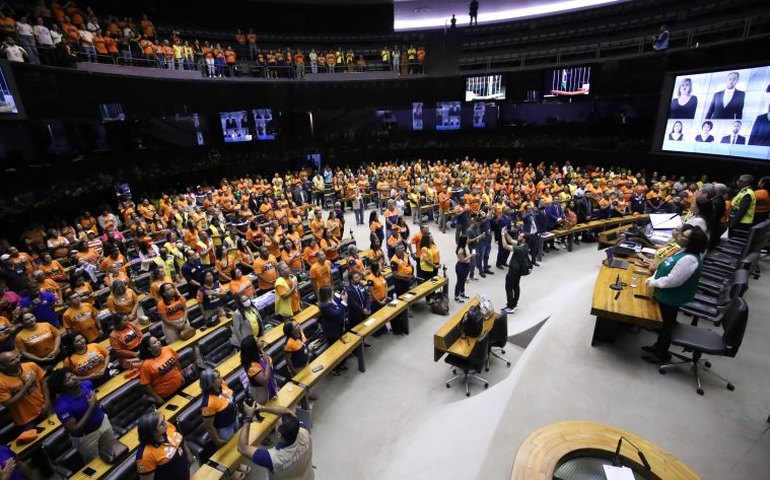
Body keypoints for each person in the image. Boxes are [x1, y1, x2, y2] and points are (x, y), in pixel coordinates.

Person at [642, 226, 708, 364]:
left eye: (684, 236)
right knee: (665, 324)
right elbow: (663, 267)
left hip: (672, 297)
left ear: (692, 242)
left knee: (667, 325)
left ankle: (661, 354)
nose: (679, 236)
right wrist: (654, 278)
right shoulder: (682, 251)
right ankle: (657, 346)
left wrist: (652, 282)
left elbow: (672, 281)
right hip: (664, 294)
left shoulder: (689, 259)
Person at [48, 367, 117, 462]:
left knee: (114, 453)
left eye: (72, 375)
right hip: (87, 438)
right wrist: (91, 406)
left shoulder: (87, 384)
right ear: (62, 387)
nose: (73, 378)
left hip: (103, 424)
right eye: (67, 380)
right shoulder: (62, 406)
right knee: (97, 464)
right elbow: (75, 430)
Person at [236, 401, 314, 479]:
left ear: (279, 435)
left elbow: (242, 448)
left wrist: (248, 418)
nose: (277, 420)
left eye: (278, 423)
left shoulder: (273, 459)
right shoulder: (304, 430)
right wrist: (262, 408)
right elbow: (287, 412)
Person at [0, 349, 49, 430]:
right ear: (2, 366)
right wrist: (27, 385)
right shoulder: (1, 382)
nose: (17, 360)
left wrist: (47, 402)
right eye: (12, 360)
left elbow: (44, 384)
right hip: (25, 420)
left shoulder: (31, 365)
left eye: (16, 357)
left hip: (43, 408)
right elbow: (9, 404)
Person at [135, 411, 193, 480]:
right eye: (161, 423)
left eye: (164, 419)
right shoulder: (145, 455)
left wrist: (189, 456)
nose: (165, 422)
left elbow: (180, 440)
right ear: (152, 432)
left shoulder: (168, 426)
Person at [199, 368, 239, 447]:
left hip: (234, 418)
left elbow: (230, 399)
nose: (221, 378)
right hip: (225, 429)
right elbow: (208, 426)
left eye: (219, 376)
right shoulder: (208, 403)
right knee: (230, 448)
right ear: (210, 383)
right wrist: (217, 440)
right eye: (217, 378)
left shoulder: (222, 384)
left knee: (238, 440)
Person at [138, 336, 184, 405]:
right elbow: (146, 384)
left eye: (157, 340)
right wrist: (157, 398)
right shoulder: (145, 365)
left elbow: (176, 360)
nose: (158, 343)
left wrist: (181, 374)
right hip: (166, 395)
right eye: (154, 343)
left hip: (180, 385)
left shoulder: (167, 349)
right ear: (149, 348)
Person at [240, 336, 277, 404]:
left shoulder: (259, 353)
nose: (261, 341)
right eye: (258, 341)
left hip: (271, 387)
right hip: (262, 395)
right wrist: (267, 363)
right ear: (253, 347)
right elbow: (265, 381)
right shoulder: (252, 367)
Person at [501, 227, 529, 313]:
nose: (518, 237)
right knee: (516, 286)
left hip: (514, 269)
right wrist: (506, 233)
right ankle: (514, 304)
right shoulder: (523, 245)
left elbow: (505, 245)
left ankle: (510, 306)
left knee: (508, 287)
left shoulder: (520, 249)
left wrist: (502, 235)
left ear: (524, 239)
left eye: (520, 236)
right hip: (518, 270)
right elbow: (510, 240)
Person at [454, 235, 472, 303]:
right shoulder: (460, 250)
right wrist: (470, 256)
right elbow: (462, 260)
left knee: (463, 280)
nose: (468, 240)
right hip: (461, 266)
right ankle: (456, 296)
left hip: (466, 265)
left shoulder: (465, 246)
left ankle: (462, 293)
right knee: (459, 281)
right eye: (467, 239)